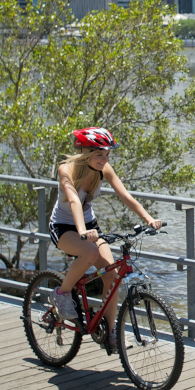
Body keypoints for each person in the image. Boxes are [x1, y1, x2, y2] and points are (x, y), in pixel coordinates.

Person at [48, 127, 162, 350]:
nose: (105, 159)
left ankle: (111, 334)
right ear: (84, 152)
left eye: (107, 154)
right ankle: (61, 294)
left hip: (89, 226)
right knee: (89, 252)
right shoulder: (66, 170)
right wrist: (83, 231)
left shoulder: (104, 169)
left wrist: (149, 218)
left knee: (112, 274)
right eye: (99, 154)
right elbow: (73, 201)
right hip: (63, 227)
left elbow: (125, 196)